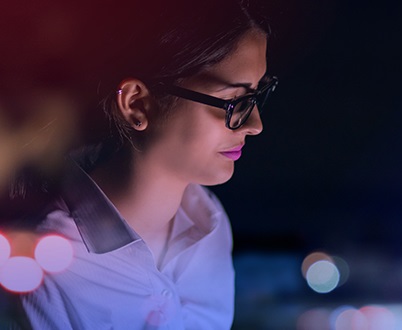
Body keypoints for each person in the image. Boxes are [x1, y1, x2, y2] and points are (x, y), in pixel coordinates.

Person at [16, 0, 278, 328]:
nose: (255, 123)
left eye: (256, 96)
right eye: (234, 102)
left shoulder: (209, 225)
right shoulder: (47, 265)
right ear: (136, 104)